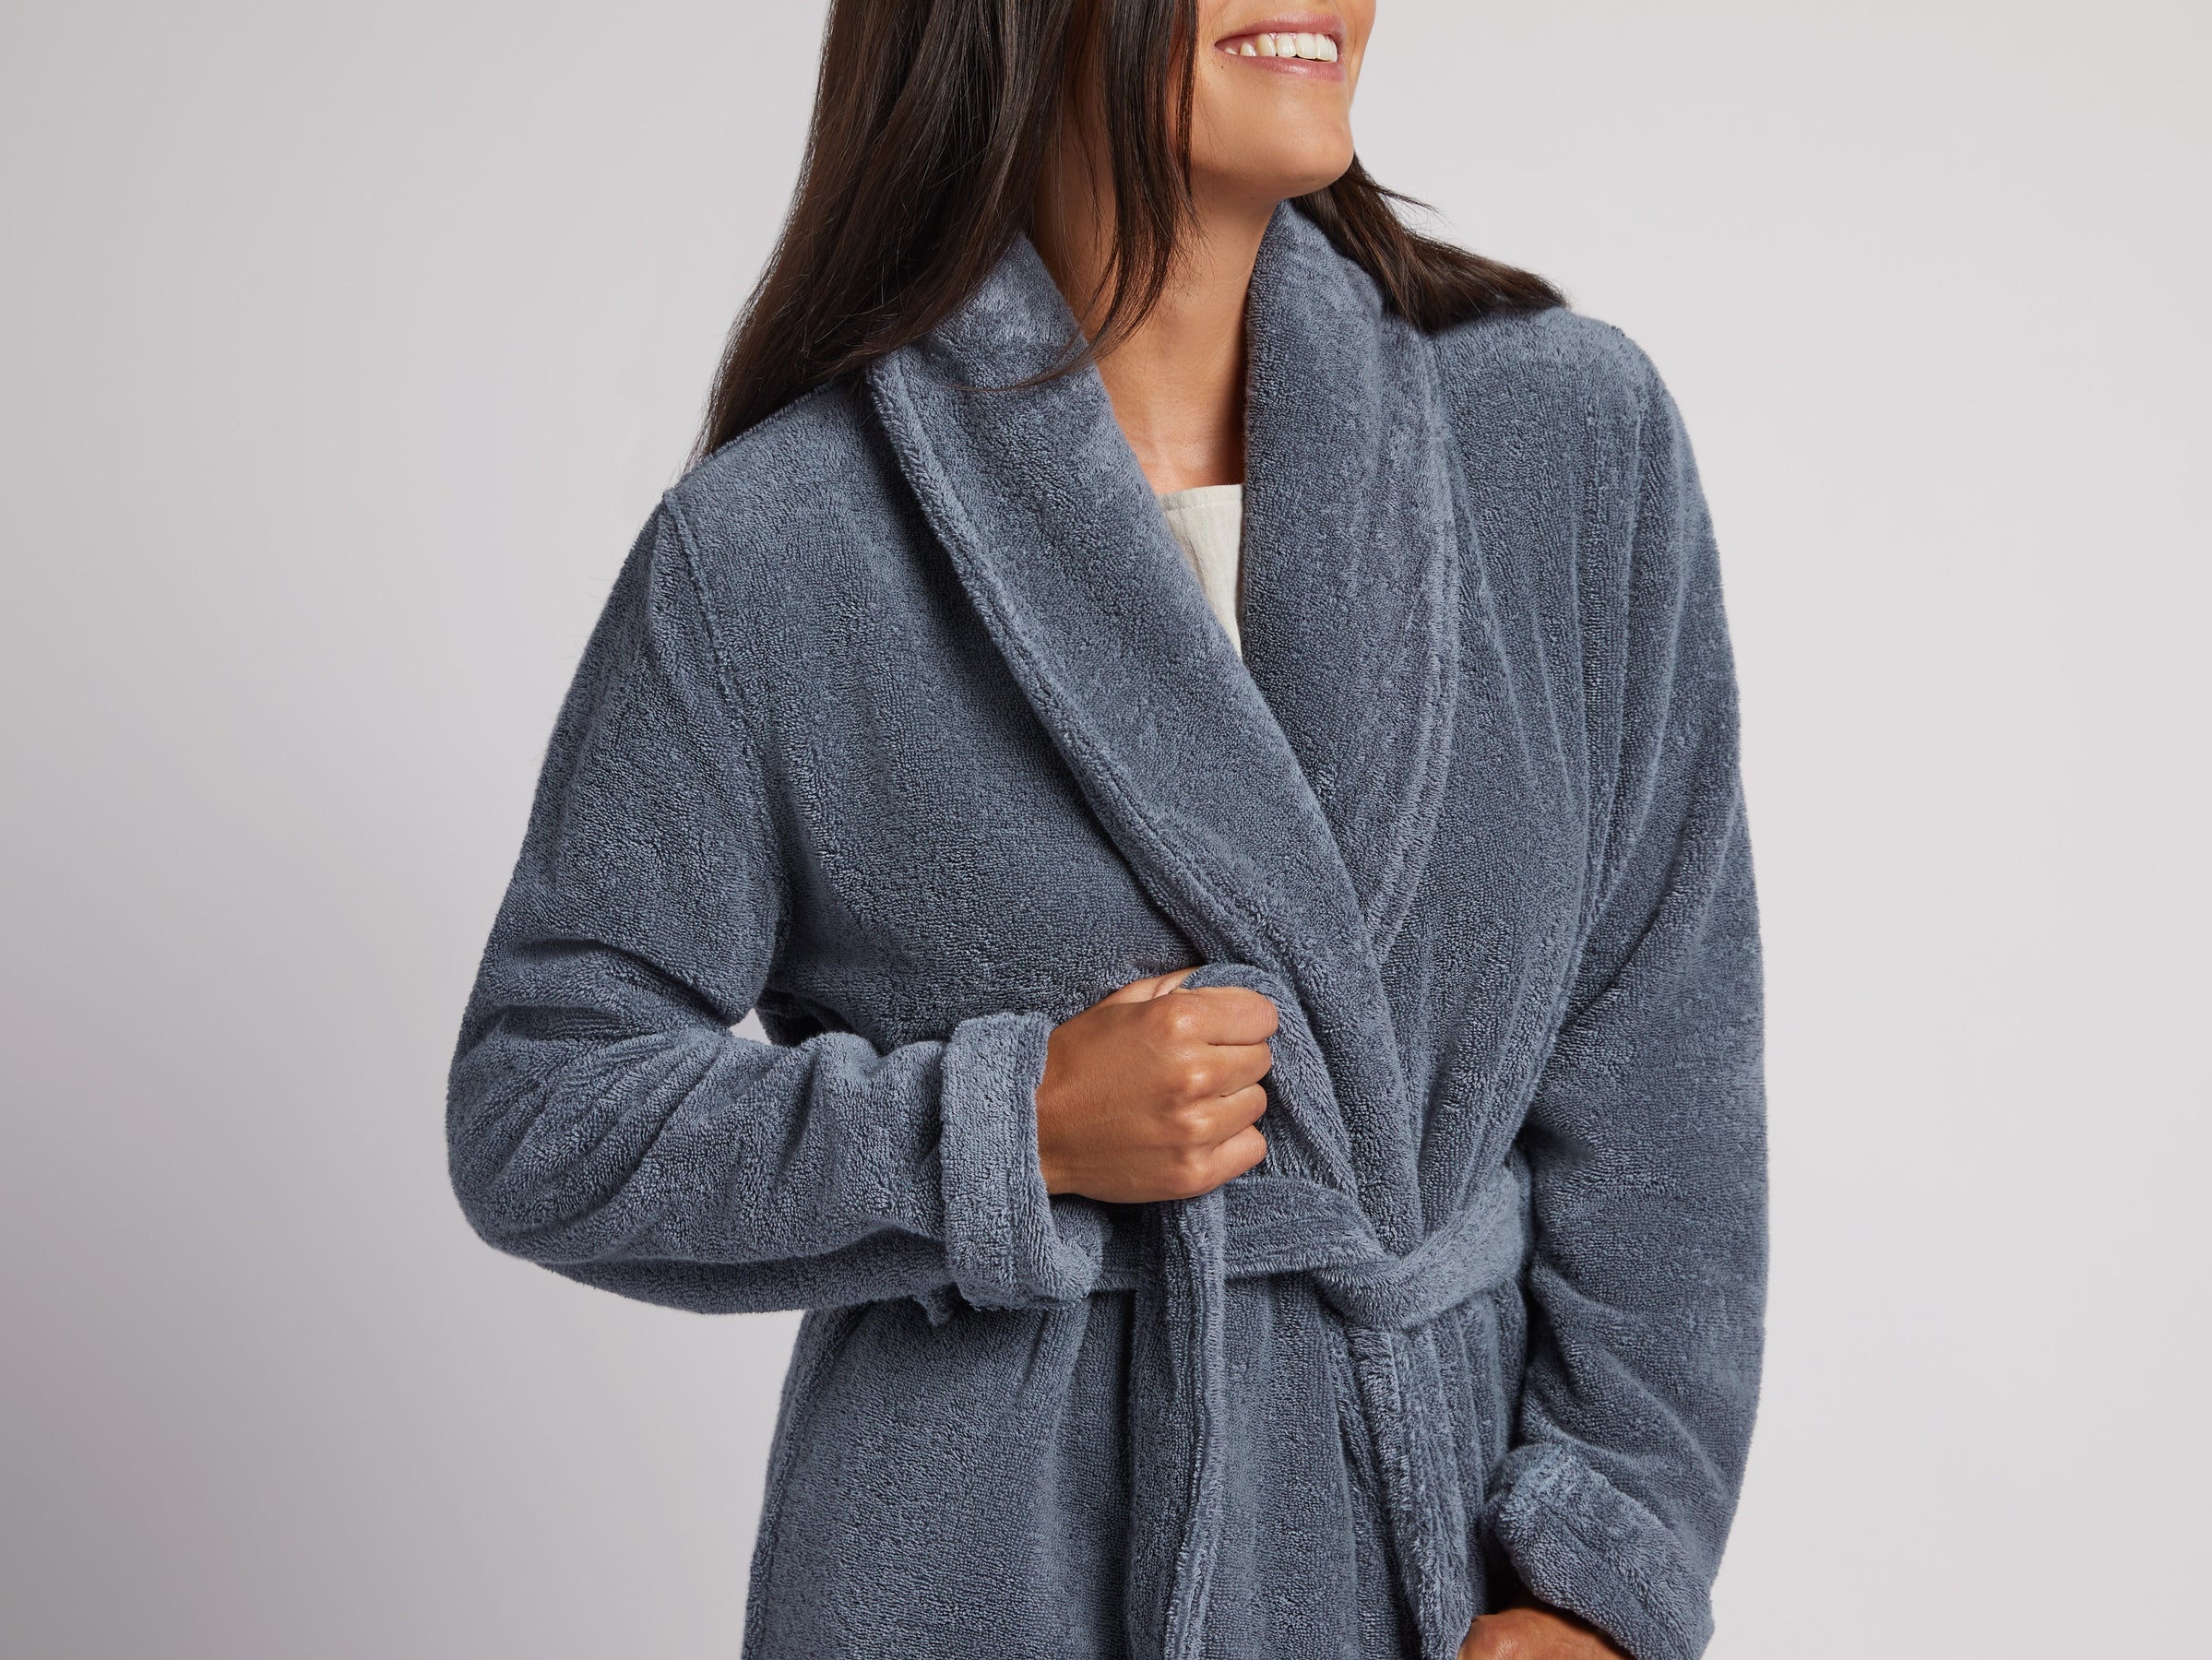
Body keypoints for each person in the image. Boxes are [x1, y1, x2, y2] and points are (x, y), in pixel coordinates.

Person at [444, 3, 1767, 1657]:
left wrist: (1606, 1572)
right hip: (986, 1575)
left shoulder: (1562, 442)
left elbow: (1666, 1070)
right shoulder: (783, 543)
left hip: (1441, 1568)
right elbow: (540, 1101)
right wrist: (1008, 1130)